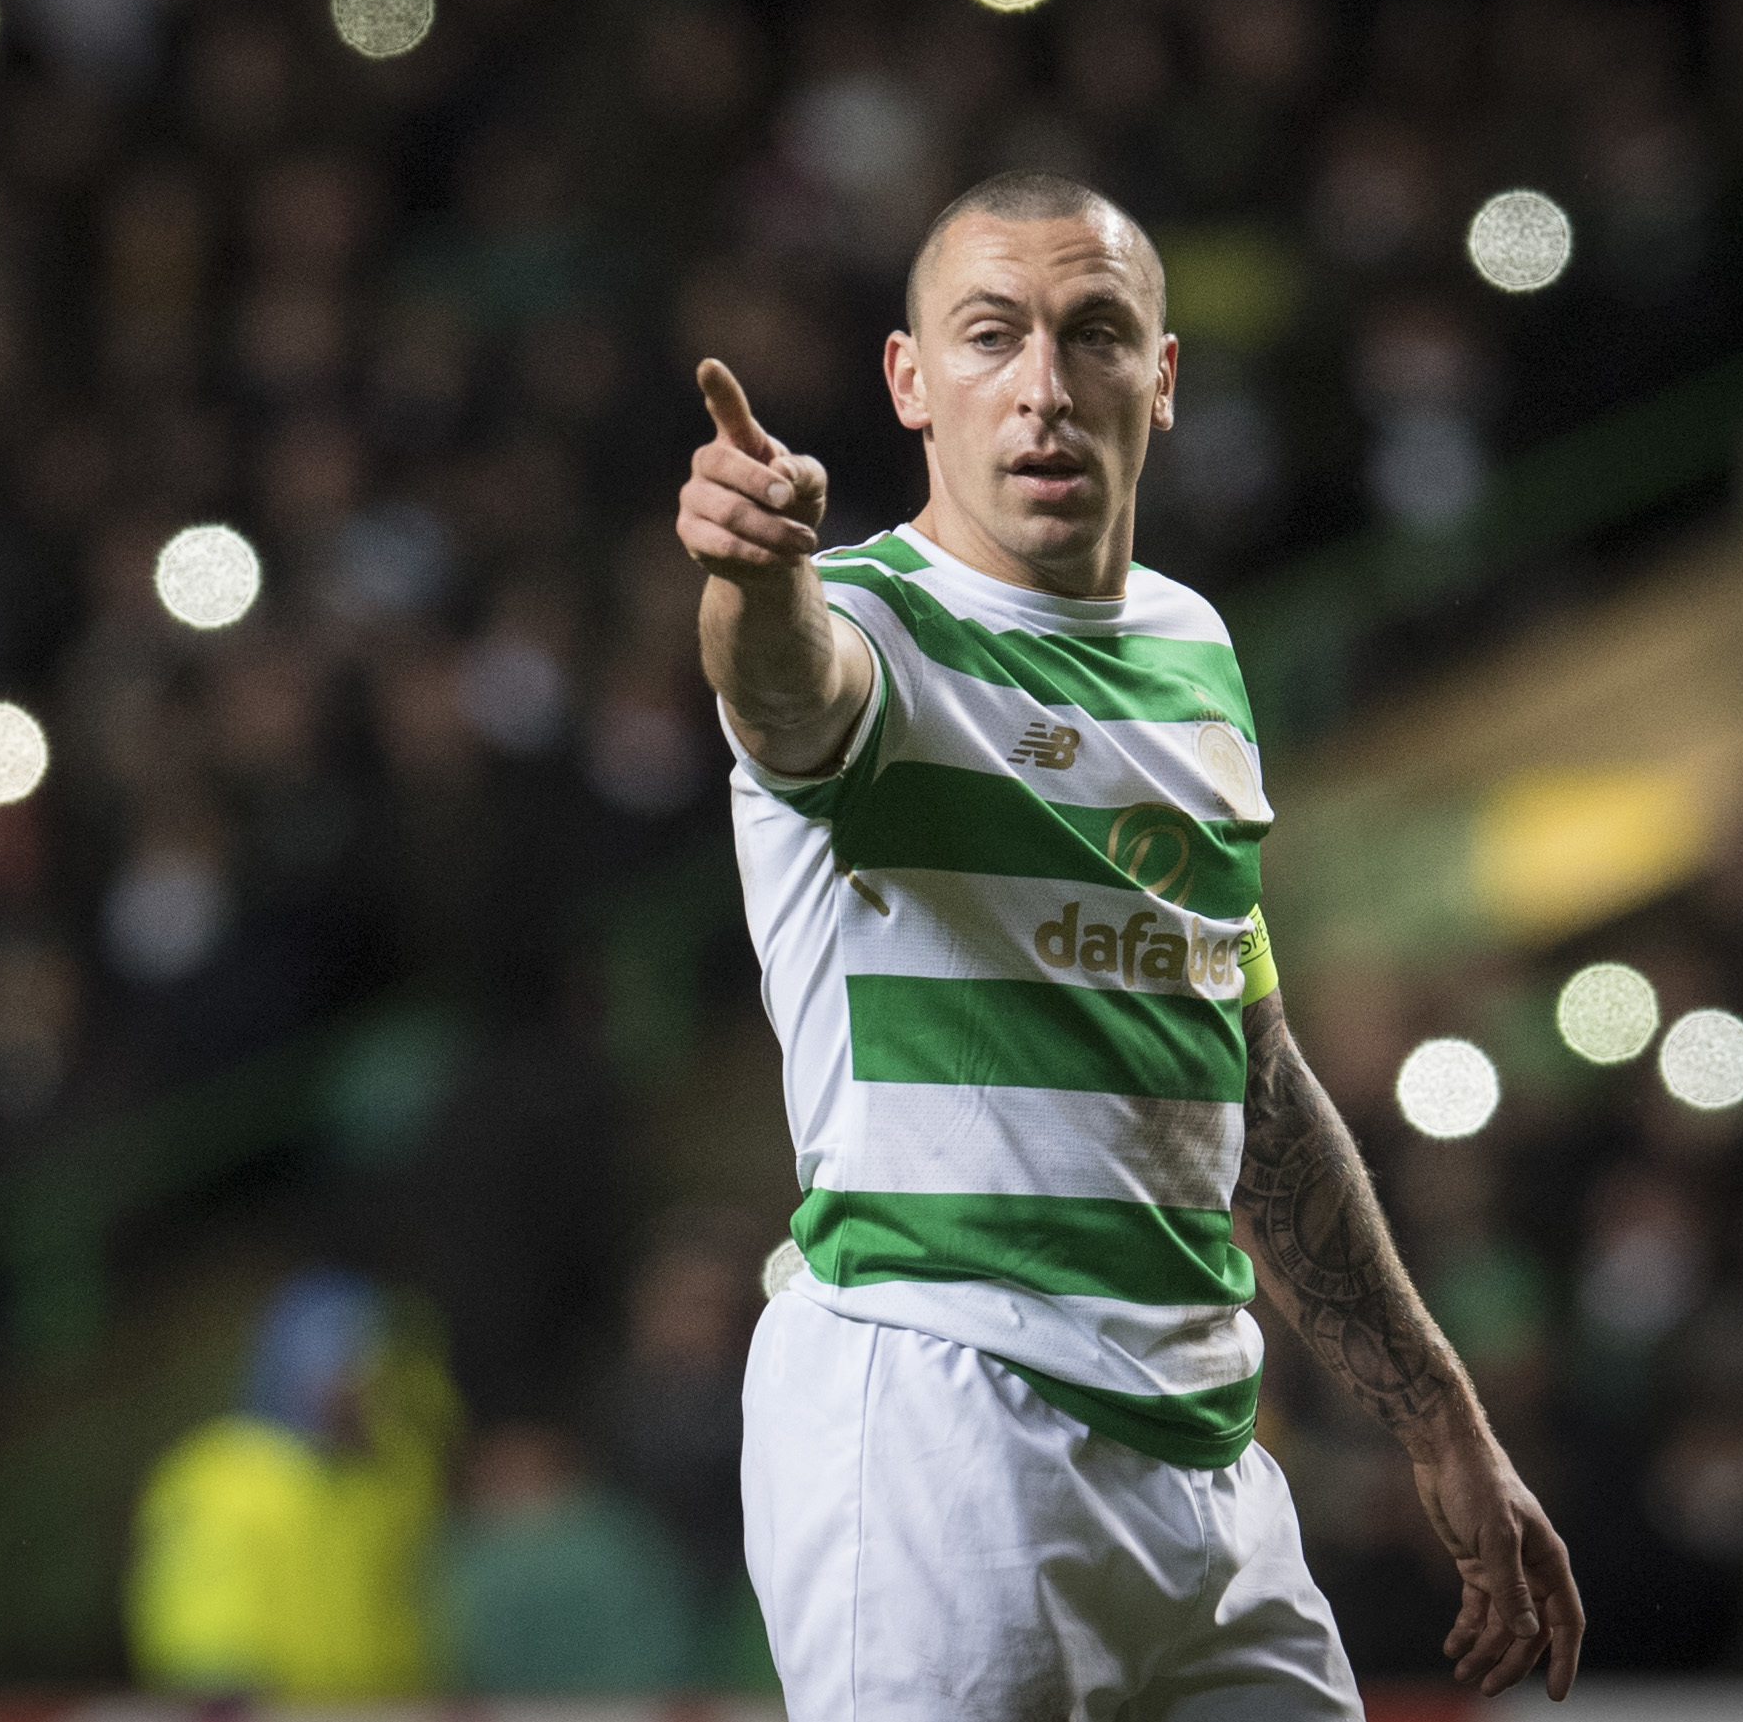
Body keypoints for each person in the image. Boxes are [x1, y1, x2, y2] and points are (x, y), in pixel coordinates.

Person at [676, 171, 1585, 1718]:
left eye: (1092, 334)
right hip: (936, 1420)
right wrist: (749, 577)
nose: (1040, 385)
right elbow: (785, 692)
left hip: (1206, 1455)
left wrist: (1436, 1411)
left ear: (1158, 381)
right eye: (987, 336)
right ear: (911, 382)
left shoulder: (1192, 650)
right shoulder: (873, 624)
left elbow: (1250, 1066)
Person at [125, 1269, 460, 1699]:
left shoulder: (393, 1478)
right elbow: (203, 1643)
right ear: (305, 1374)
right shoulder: (223, 1478)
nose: (377, 1390)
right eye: (355, 1372)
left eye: (383, 1372)